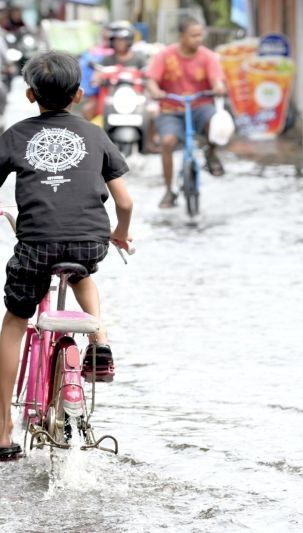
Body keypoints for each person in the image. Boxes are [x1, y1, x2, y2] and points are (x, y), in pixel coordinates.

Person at [0, 51, 133, 459]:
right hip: (88, 242)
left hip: (37, 243)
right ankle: (99, 338)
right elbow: (125, 203)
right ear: (78, 94)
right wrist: (120, 235)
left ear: (28, 94)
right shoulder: (95, 135)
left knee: (17, 317)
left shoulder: (16, 134)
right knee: (81, 272)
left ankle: (2, 429)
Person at [147, 15, 226, 209]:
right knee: (167, 142)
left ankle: (211, 153)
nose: (199, 39)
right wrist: (155, 91)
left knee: (217, 125)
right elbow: (151, 79)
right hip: (170, 108)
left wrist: (218, 87)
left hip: (200, 105)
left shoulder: (207, 56)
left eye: (201, 35)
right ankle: (168, 190)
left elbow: (217, 79)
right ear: (182, 35)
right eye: (194, 35)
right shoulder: (165, 55)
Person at [82, 21, 147, 122]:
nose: (119, 43)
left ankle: (150, 138)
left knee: (152, 111)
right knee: (87, 109)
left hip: (135, 97)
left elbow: (147, 76)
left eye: (122, 40)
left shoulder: (139, 59)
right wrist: (98, 80)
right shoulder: (106, 59)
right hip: (110, 98)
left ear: (129, 40)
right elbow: (96, 76)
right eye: (116, 40)